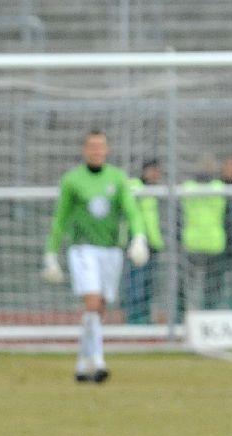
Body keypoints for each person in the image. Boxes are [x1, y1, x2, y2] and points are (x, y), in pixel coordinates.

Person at [41, 129, 149, 382]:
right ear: (85, 150)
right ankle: (99, 362)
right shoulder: (72, 180)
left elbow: (132, 211)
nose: (97, 151)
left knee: (99, 308)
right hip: (83, 249)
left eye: (101, 146)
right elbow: (60, 218)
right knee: (92, 301)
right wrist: (50, 253)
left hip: (111, 250)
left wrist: (139, 237)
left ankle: (82, 365)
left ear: (107, 150)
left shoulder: (118, 178)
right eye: (92, 146)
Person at [178, 154, 228, 313]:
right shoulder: (220, 187)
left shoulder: (187, 187)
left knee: (190, 283)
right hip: (212, 242)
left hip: (194, 241)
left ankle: (188, 313)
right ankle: (209, 313)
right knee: (211, 285)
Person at [124, 160, 164, 324]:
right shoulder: (135, 185)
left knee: (149, 284)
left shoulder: (156, 191)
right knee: (136, 283)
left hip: (152, 243)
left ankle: (145, 317)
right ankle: (134, 318)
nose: (156, 175)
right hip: (136, 242)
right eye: (153, 171)